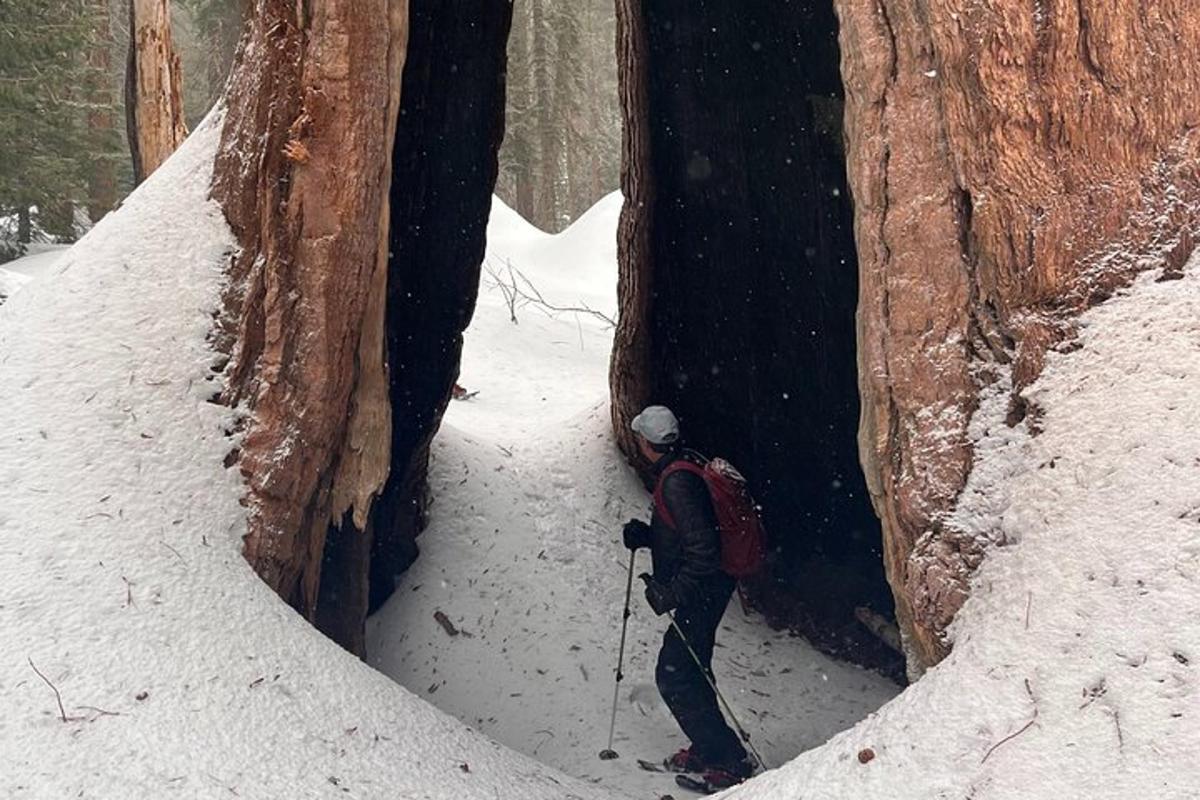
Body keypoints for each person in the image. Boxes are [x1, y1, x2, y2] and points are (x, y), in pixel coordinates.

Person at [622, 405, 753, 788]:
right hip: (705, 587)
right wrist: (645, 536)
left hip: (704, 590)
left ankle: (730, 761)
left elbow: (703, 551)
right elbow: (688, 533)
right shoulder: (684, 464)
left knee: (675, 675)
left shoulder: (677, 482)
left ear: (648, 443)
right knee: (691, 669)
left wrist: (670, 594)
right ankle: (709, 747)